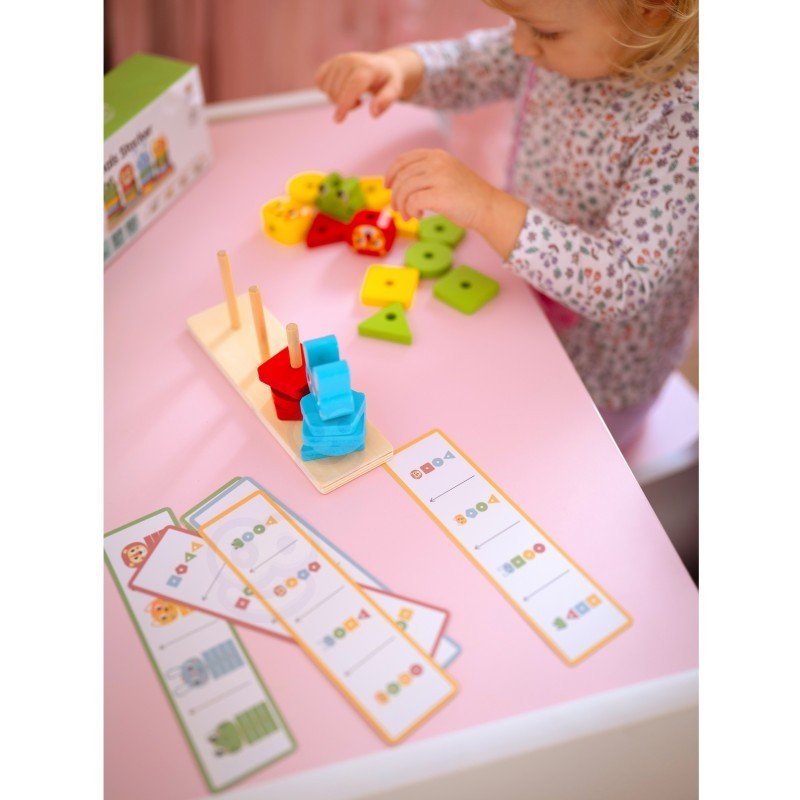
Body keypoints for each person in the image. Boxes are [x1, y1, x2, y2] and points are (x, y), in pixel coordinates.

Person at [315, 0, 699, 448]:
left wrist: (485, 207)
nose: (519, 44)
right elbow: (469, 63)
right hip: (524, 303)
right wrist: (398, 67)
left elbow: (621, 278)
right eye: (514, 23)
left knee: (543, 463)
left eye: (544, 32)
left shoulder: (684, 121)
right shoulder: (560, 43)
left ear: (652, 10)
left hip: (599, 378)